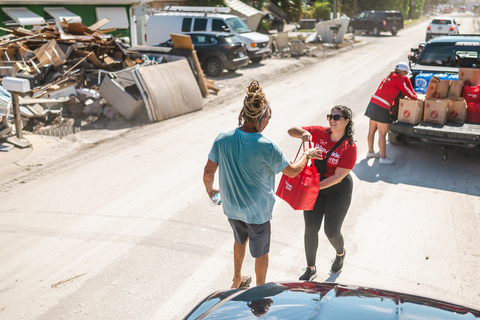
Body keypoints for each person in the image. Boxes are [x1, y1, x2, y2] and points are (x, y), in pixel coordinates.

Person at [203, 80, 321, 289]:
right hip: (257, 214)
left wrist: (211, 191)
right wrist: (307, 153)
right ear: (260, 118)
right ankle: (259, 291)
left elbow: (208, 173)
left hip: (232, 209)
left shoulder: (222, 138)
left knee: (240, 241)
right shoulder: (266, 146)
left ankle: (237, 279)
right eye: (268, 117)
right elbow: (293, 171)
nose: (268, 122)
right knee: (261, 254)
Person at [287, 105, 357, 280]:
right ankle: (311, 268)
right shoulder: (320, 133)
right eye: (330, 116)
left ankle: (340, 254)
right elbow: (291, 130)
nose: (332, 120)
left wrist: (312, 188)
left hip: (337, 190)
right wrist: (303, 134)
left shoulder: (349, 147)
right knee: (310, 228)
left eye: (336, 117)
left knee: (331, 231)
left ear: (346, 121)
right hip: (315, 187)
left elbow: (338, 177)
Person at [365, 62, 417, 165]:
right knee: (382, 134)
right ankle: (383, 158)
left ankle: (370, 152)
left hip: (373, 103)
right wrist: (415, 98)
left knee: (372, 131)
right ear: (403, 72)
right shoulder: (398, 78)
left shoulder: (390, 76)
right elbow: (406, 91)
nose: (406, 75)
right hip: (382, 107)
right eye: (406, 73)